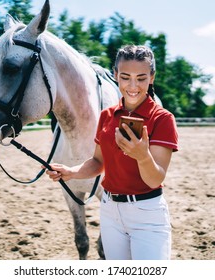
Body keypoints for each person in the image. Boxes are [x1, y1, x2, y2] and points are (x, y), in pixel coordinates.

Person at [46, 45, 178, 260]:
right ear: (115, 75)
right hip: (109, 212)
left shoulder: (163, 119)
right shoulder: (106, 115)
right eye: (125, 77)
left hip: (146, 212)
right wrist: (71, 172)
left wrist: (142, 156)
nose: (133, 86)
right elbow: (98, 162)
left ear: (152, 77)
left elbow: (155, 179)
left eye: (141, 78)